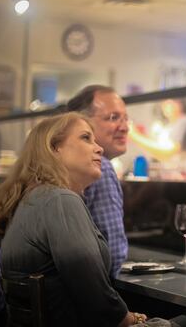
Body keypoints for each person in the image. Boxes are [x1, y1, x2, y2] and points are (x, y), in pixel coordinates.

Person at [0, 113, 147, 327]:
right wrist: (136, 318)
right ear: (54, 148)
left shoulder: (37, 196)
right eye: (86, 138)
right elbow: (98, 300)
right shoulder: (60, 200)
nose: (99, 148)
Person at [67, 85, 130, 277]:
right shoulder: (98, 168)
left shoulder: (52, 164)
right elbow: (113, 258)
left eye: (126, 118)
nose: (125, 127)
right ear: (82, 123)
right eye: (113, 118)